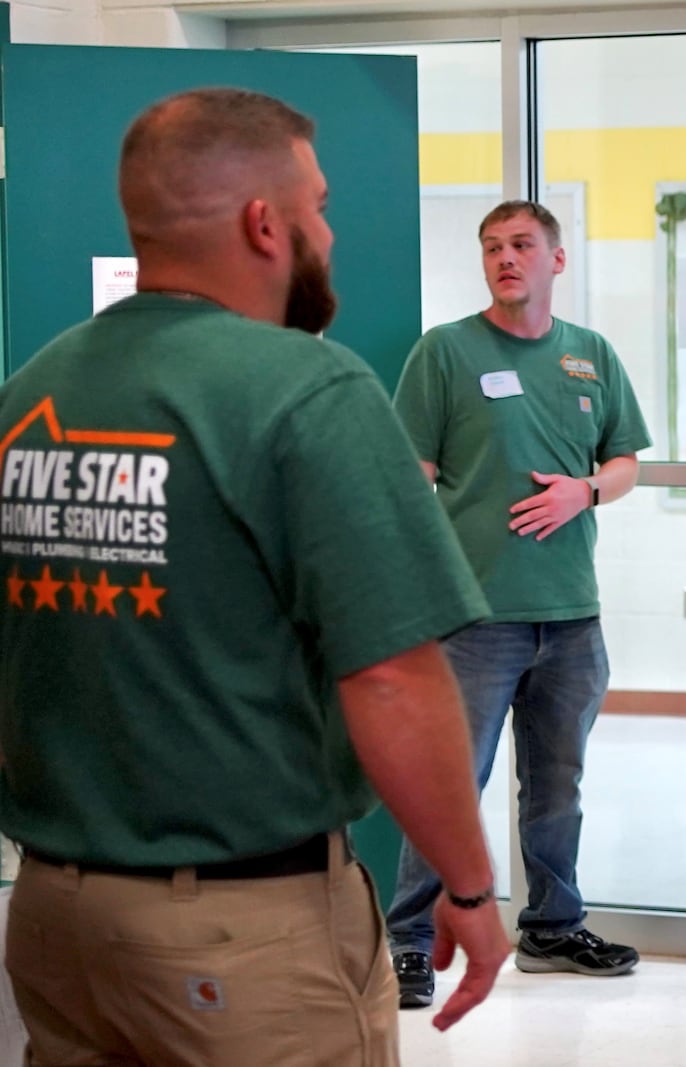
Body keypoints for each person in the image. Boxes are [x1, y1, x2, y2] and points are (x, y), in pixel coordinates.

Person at [0, 88, 508, 1066]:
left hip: (55, 920)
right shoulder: (307, 390)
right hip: (239, 935)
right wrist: (471, 885)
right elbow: (395, 676)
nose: (328, 230)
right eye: (317, 206)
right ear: (264, 225)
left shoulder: (36, 390)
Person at [386, 200, 652, 1006]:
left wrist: (588, 491)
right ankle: (408, 944)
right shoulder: (445, 353)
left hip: (572, 614)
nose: (507, 258)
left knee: (558, 783)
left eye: (523, 245)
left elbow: (626, 461)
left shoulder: (591, 357)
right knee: (447, 783)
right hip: (475, 620)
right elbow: (410, 478)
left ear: (556, 261)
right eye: (494, 247)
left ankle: (553, 927)